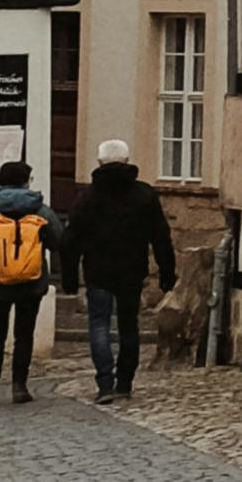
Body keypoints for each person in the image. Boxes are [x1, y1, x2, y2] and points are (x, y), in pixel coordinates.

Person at [65, 138, 177, 402]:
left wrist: (70, 279)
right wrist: (166, 273)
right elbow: (161, 237)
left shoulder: (88, 197)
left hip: (98, 270)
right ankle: (124, 382)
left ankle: (105, 382)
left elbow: (70, 240)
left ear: (100, 162)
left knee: (99, 324)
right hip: (131, 269)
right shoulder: (144, 195)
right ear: (127, 161)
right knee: (129, 326)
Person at [0, 139, 51, 405]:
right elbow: (59, 239)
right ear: (27, 181)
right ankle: (19, 387)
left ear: (1, 182)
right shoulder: (39, 208)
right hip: (32, 280)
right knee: (24, 334)